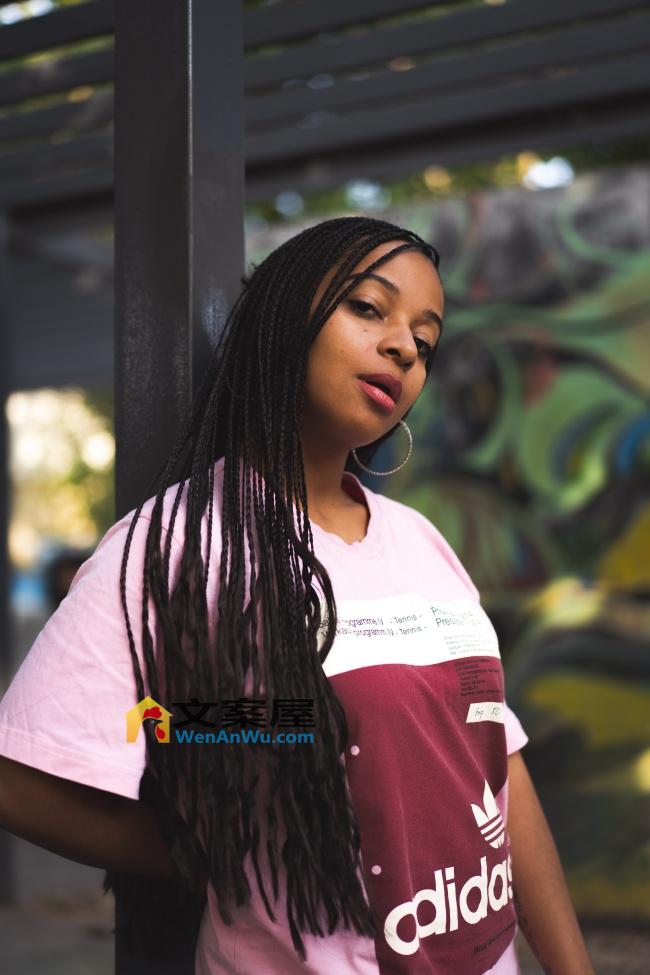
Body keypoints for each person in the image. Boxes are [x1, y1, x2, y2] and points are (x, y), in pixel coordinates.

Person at [0, 216, 594, 974]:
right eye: (369, 308)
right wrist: (218, 846)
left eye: (425, 340)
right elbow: (22, 780)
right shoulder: (177, 544)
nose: (404, 348)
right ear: (284, 316)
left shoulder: (421, 540)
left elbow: (497, 765)